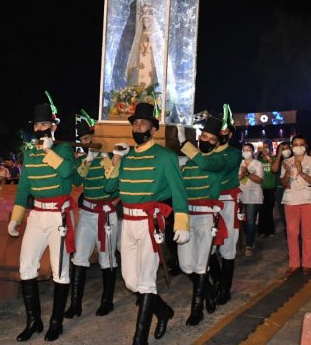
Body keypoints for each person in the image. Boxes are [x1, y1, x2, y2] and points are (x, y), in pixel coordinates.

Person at [104, 102, 190, 344]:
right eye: (136, 123)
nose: (138, 126)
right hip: (127, 222)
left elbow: (178, 190)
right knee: (131, 281)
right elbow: (108, 188)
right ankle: (164, 312)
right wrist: (117, 160)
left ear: (153, 129)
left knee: (146, 280)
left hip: (151, 222)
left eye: (143, 123)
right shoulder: (127, 156)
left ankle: (139, 338)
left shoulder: (165, 157)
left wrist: (182, 222)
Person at [7, 101, 75, 342]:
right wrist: (16, 217)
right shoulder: (29, 153)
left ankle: (56, 322)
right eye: (37, 124)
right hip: (36, 215)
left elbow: (68, 174)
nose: (40, 128)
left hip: (59, 215)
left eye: (44, 124)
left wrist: (50, 151)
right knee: (26, 265)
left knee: (60, 271)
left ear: (53, 127)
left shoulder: (64, 149)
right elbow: (24, 187)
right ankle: (34, 321)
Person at [65, 110, 119, 319]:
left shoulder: (112, 158)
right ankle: (75, 304)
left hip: (105, 214)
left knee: (107, 258)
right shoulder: (83, 161)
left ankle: (107, 301)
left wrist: (114, 201)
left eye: (88, 138)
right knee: (79, 258)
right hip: (87, 214)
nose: (85, 143)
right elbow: (77, 182)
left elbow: (118, 185)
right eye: (82, 140)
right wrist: (86, 159)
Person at [176, 118, 229, 326]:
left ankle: (196, 310)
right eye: (204, 137)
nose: (206, 141)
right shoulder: (188, 162)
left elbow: (204, 162)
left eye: (211, 139)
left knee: (200, 264)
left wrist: (183, 143)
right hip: (187, 217)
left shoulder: (218, 160)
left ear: (216, 143)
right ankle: (207, 292)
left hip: (206, 217)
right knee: (185, 264)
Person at [280, 135, 311, 276]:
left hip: (309, 201)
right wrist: (287, 172)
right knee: (292, 233)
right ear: (292, 146)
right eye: (295, 144)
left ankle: (307, 263)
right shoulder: (286, 162)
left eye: (301, 144)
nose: (298, 147)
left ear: (306, 146)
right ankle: (294, 264)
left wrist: (301, 171)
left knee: (307, 234)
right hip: (291, 201)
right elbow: (284, 183)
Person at [238, 143, 264, 257]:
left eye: (248, 150)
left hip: (253, 197)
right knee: (243, 221)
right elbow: (236, 178)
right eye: (244, 150)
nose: (246, 152)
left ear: (253, 152)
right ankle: (249, 238)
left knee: (250, 221)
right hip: (240, 196)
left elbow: (259, 179)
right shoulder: (239, 163)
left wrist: (247, 173)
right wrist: (241, 174)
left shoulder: (258, 164)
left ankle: (249, 244)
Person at [271, 142, 293, 234]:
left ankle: (293, 229)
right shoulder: (278, 161)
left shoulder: (295, 159)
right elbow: (274, 169)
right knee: (283, 212)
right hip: (280, 189)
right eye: (282, 149)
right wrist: (279, 155)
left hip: (293, 189)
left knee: (292, 212)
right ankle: (288, 228)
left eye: (287, 148)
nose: (285, 150)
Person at [257, 140, 276, 236]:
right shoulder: (259, 160)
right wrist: (258, 154)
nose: (264, 149)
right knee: (261, 211)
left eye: (267, 147)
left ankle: (270, 231)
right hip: (260, 188)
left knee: (269, 210)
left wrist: (267, 157)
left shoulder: (274, 158)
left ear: (271, 148)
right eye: (263, 147)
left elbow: (275, 166)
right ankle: (261, 231)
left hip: (271, 188)